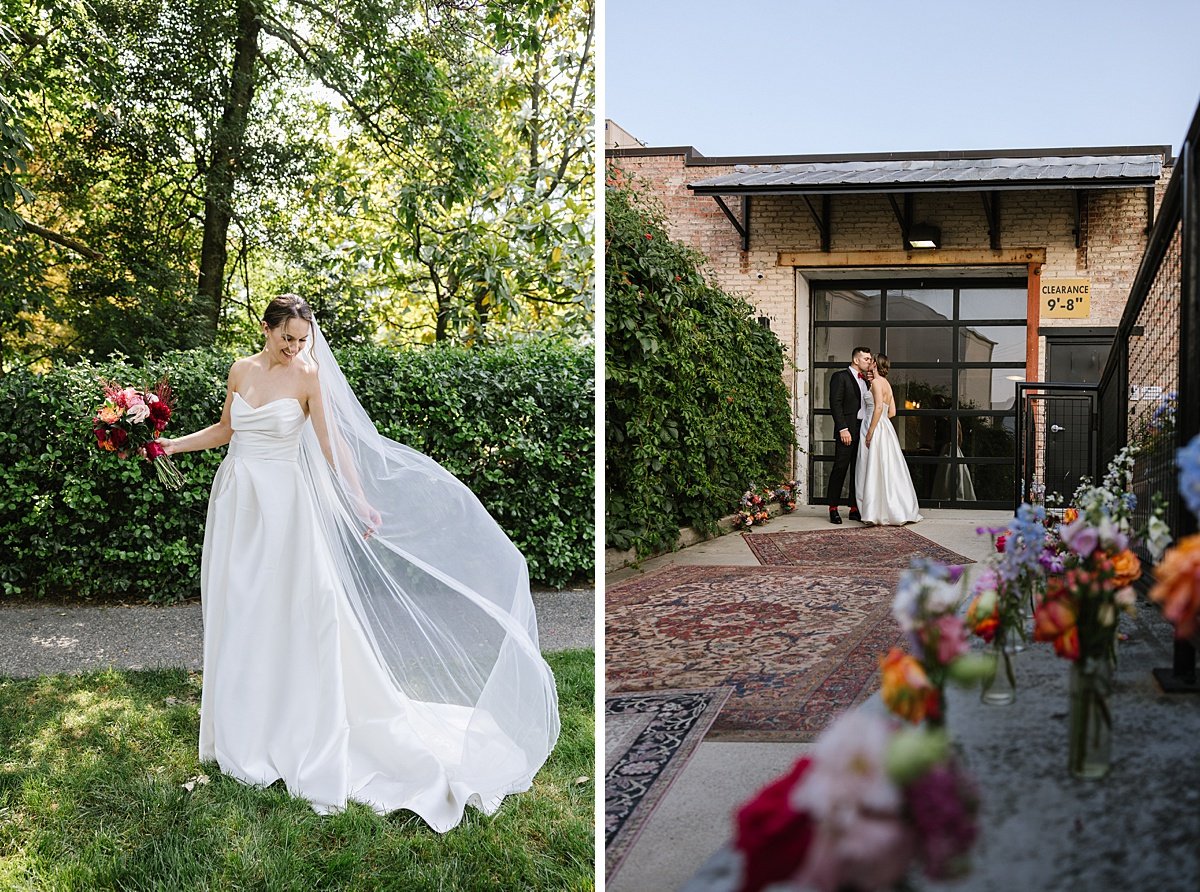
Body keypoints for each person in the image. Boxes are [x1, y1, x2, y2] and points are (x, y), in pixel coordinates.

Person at [161, 294, 560, 832]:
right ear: (266, 328)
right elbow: (226, 431)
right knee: (243, 610)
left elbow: (332, 446)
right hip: (238, 503)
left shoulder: (308, 377)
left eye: (303, 339)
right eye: (287, 338)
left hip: (287, 509)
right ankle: (245, 729)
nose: (296, 347)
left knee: (303, 611)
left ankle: (302, 725)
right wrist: (169, 445)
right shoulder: (240, 370)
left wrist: (359, 499)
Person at [855, 354, 923, 525]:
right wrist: (882, 419)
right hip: (885, 427)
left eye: (872, 361)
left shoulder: (877, 383)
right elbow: (891, 412)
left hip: (875, 426)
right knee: (886, 467)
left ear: (876, 365)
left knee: (872, 467)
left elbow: (878, 407)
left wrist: (870, 431)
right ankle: (892, 507)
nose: (869, 363)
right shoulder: (887, 385)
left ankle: (875, 511)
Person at [826, 346, 873, 524]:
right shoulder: (840, 377)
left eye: (869, 359)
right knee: (840, 468)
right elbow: (835, 404)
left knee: (858, 469)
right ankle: (833, 508)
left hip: (862, 428)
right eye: (866, 359)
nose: (869, 361)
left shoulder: (867, 381)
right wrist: (842, 428)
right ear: (856, 360)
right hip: (846, 429)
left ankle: (854, 508)